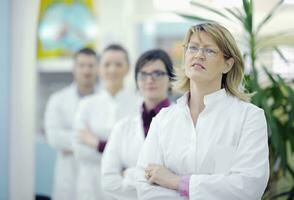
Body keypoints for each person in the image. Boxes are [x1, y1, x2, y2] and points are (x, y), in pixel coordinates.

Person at [136, 23, 269, 200]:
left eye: (209, 51)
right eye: (193, 48)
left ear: (228, 65)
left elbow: (247, 187)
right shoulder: (163, 120)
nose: (199, 55)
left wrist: (176, 182)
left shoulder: (249, 117)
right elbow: (145, 187)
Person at [101, 49, 175, 200]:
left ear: (170, 79)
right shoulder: (123, 127)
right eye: (143, 74)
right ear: (136, 80)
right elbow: (108, 181)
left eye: (158, 73)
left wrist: (128, 174)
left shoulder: (185, 122)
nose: (150, 80)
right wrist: (157, 182)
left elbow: (183, 180)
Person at [73, 44, 140, 200]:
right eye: (107, 64)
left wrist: (96, 142)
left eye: (118, 64)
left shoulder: (139, 104)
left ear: (128, 68)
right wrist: (120, 153)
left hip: (126, 188)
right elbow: (80, 151)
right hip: (91, 186)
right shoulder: (87, 105)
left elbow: (138, 154)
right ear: (99, 69)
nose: (112, 70)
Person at [44, 48, 99, 200]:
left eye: (91, 65)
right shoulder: (58, 100)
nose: (86, 70)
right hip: (68, 178)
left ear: (97, 68)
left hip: (97, 181)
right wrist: (92, 142)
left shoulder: (106, 100)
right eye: (81, 65)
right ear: (74, 68)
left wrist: (70, 142)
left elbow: (111, 140)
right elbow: (54, 138)